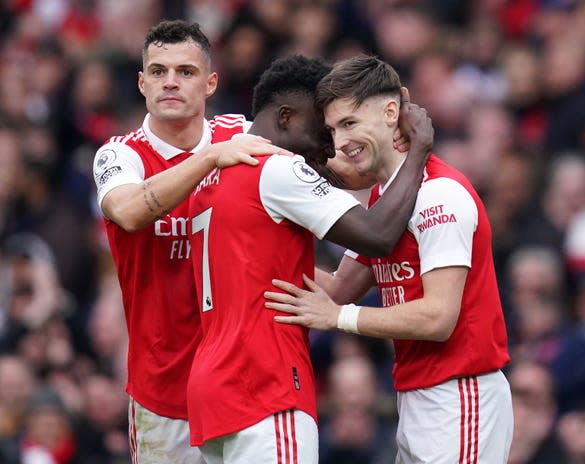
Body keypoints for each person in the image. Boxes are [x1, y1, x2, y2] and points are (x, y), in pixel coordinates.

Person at [265, 55, 513, 463]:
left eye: (349, 123)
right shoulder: (386, 200)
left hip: (460, 397)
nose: (341, 142)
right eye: (332, 129)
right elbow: (340, 288)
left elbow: (438, 317)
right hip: (420, 397)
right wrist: (261, 243)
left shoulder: (440, 196)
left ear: (391, 111)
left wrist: (339, 318)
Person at [187, 54, 433, 463]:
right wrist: (418, 152)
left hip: (214, 390)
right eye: (322, 129)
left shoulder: (214, 172)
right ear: (285, 117)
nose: (330, 144)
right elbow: (377, 236)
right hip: (265, 384)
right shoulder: (278, 170)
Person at [91, 20, 294, 464]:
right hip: (163, 395)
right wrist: (207, 159)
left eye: (185, 71)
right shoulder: (119, 155)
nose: (170, 82)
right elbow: (126, 211)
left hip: (245, 387)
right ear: (141, 83)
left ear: (210, 83)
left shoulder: (242, 134)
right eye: (159, 71)